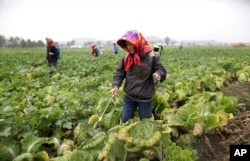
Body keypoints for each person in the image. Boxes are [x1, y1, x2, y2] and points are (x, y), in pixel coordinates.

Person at [111, 30, 167, 123]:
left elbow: (161, 69)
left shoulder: (151, 56)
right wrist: (116, 85)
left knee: (146, 123)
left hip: (145, 97)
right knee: (125, 120)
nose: (129, 47)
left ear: (138, 42)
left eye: (131, 44)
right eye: (127, 45)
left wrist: (158, 74)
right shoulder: (127, 57)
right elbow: (120, 73)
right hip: (130, 95)